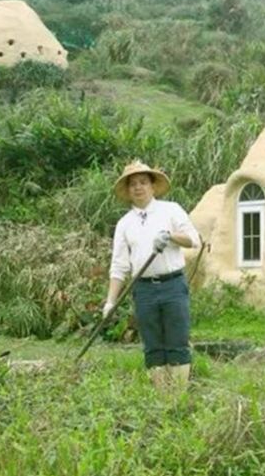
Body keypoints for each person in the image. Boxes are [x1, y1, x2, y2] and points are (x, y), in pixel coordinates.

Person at [104, 160, 200, 391]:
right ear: (127, 191)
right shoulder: (124, 224)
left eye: (143, 182)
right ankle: (162, 397)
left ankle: (178, 398)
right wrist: (110, 301)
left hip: (173, 285)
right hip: (143, 289)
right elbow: (119, 266)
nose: (138, 187)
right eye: (133, 184)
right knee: (153, 346)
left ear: (153, 186)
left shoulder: (171, 210)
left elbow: (194, 240)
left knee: (177, 342)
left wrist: (170, 236)